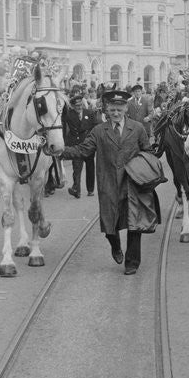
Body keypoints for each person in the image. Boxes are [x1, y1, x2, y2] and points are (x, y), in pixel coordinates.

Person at [60, 89, 153, 275]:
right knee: (110, 225)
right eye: (112, 110)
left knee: (134, 224)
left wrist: (144, 171)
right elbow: (83, 150)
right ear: (106, 110)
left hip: (132, 184)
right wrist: (59, 151)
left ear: (126, 108)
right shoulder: (99, 131)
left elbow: (147, 151)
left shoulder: (137, 128)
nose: (116, 113)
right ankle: (115, 245)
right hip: (108, 183)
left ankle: (132, 262)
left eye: (119, 109)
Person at [61, 87, 99, 198]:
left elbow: (95, 126)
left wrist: (92, 140)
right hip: (76, 146)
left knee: (90, 168)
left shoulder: (90, 113)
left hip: (89, 145)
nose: (79, 108)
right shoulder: (68, 114)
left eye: (80, 105)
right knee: (76, 168)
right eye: (76, 106)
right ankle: (76, 189)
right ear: (72, 106)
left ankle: (90, 189)